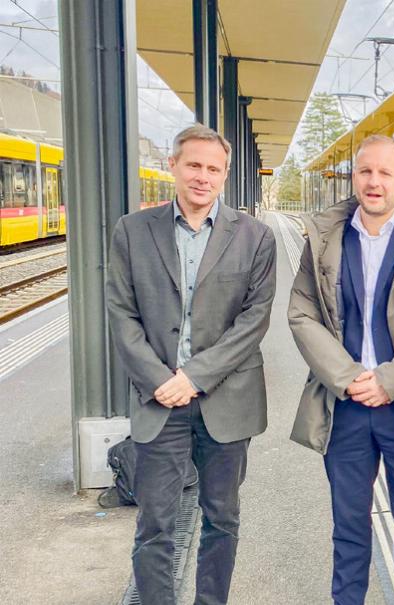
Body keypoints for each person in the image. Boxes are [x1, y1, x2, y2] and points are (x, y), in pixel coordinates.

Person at [106, 123, 277, 605]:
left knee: (222, 520)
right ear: (174, 166)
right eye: (194, 165)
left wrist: (194, 377)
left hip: (226, 402)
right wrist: (162, 381)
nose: (203, 176)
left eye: (213, 169)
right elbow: (121, 312)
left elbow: (253, 320)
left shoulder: (256, 237)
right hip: (159, 400)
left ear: (225, 175)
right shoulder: (133, 231)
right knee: (155, 522)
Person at [288, 135, 394, 605]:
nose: (373, 181)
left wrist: (389, 379)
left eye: (384, 173)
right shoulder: (323, 239)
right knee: (350, 530)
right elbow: (301, 314)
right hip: (345, 407)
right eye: (365, 171)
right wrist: (348, 377)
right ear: (353, 177)